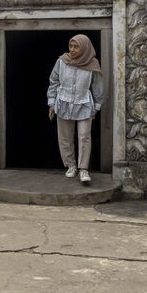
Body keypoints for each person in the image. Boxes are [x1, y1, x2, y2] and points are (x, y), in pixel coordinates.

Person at [46, 35, 103, 185]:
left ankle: (83, 169)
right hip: (63, 102)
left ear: (84, 47)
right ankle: (71, 165)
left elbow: (97, 86)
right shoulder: (62, 61)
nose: (72, 50)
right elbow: (53, 81)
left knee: (84, 136)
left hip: (84, 103)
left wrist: (97, 106)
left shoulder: (93, 63)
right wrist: (51, 103)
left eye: (76, 47)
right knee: (65, 137)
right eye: (70, 46)